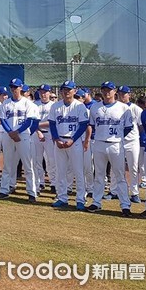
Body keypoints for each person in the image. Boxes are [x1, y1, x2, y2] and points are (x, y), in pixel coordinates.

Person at [87, 81, 133, 216]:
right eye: (104, 90)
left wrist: (118, 137)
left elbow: (128, 127)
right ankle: (96, 202)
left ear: (115, 92)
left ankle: (125, 205)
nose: (107, 92)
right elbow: (92, 125)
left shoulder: (124, 108)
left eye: (110, 90)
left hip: (115, 144)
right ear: (101, 91)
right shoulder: (95, 107)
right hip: (99, 143)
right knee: (99, 175)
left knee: (119, 175)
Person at [0, 78, 38, 203]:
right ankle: (4, 190)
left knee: (28, 165)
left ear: (21, 88)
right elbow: (2, 119)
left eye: (16, 87)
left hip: (23, 135)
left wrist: (17, 132)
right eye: (12, 87)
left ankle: (32, 192)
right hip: (9, 135)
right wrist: (10, 132)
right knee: (8, 164)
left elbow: (29, 121)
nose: (14, 89)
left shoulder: (27, 103)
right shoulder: (6, 103)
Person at [48, 81, 89, 210]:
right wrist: (55, 139)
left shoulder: (80, 106)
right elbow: (52, 124)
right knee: (60, 171)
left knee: (78, 171)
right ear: (61, 91)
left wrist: (73, 139)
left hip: (74, 141)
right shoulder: (55, 106)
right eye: (64, 89)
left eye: (69, 89)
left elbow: (83, 125)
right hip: (60, 141)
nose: (67, 92)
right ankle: (62, 198)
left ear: (74, 91)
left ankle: (80, 200)